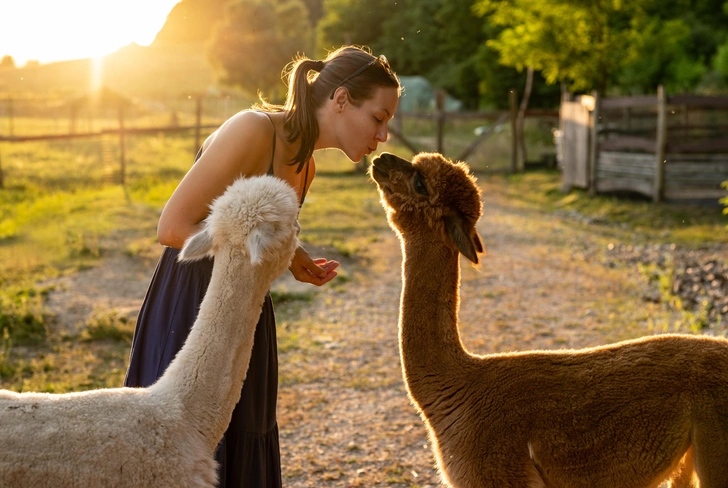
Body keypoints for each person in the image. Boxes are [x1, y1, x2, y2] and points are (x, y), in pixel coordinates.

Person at [124, 45, 401, 487]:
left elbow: (248, 228)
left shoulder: (305, 167)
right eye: (379, 118)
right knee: (180, 450)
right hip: (194, 305)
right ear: (342, 99)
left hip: (247, 312)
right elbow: (174, 227)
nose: (383, 134)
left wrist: (292, 256)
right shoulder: (253, 129)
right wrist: (280, 250)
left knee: (243, 440)